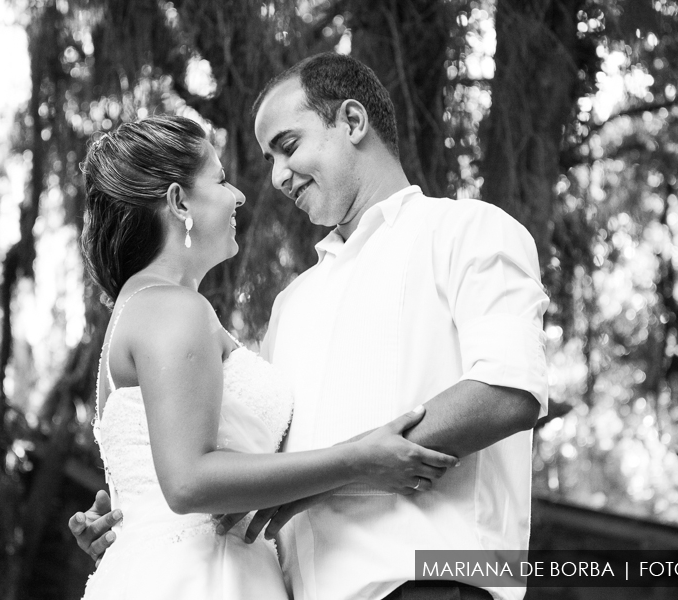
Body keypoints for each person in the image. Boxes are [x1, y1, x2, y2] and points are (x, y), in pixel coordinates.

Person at [73, 53, 549, 600]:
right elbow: (245, 466)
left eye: (289, 146)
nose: (274, 178)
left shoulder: (468, 231)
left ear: (351, 122)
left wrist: (345, 470)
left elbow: (508, 393)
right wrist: (141, 516)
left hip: (431, 583)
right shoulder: (292, 304)